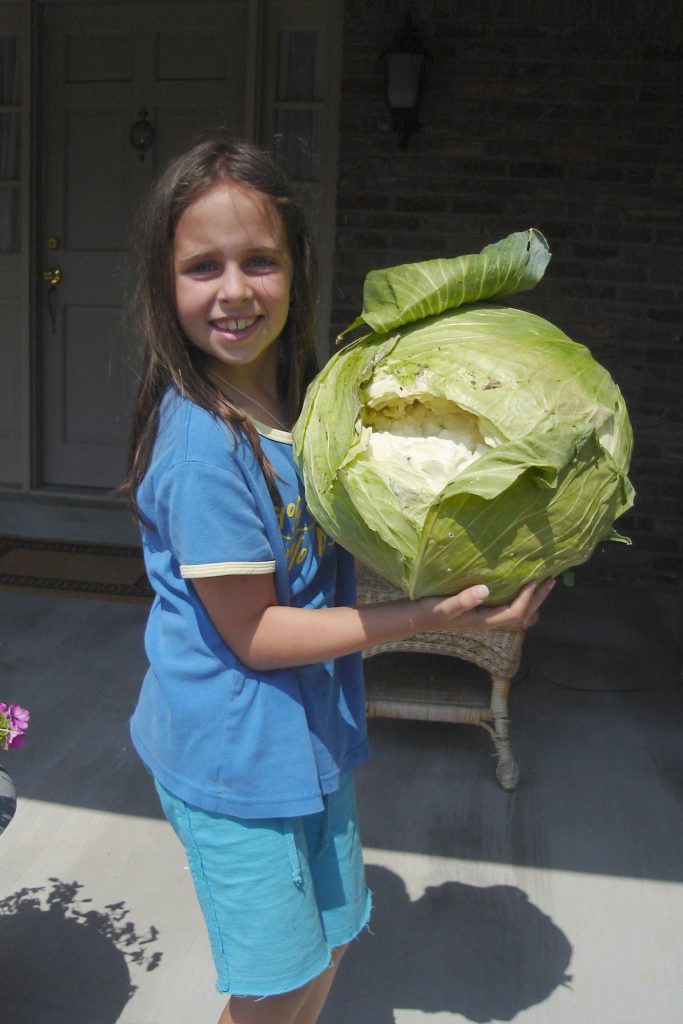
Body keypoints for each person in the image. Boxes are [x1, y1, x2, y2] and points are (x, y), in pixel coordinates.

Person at [121, 136, 554, 1024]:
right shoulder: (205, 447)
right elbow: (256, 633)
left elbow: (344, 536)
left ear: (297, 268)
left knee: (333, 937)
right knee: (274, 983)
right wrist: (434, 617)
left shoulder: (304, 399)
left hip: (306, 736)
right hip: (234, 763)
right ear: (165, 286)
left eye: (260, 261)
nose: (234, 290)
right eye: (203, 267)